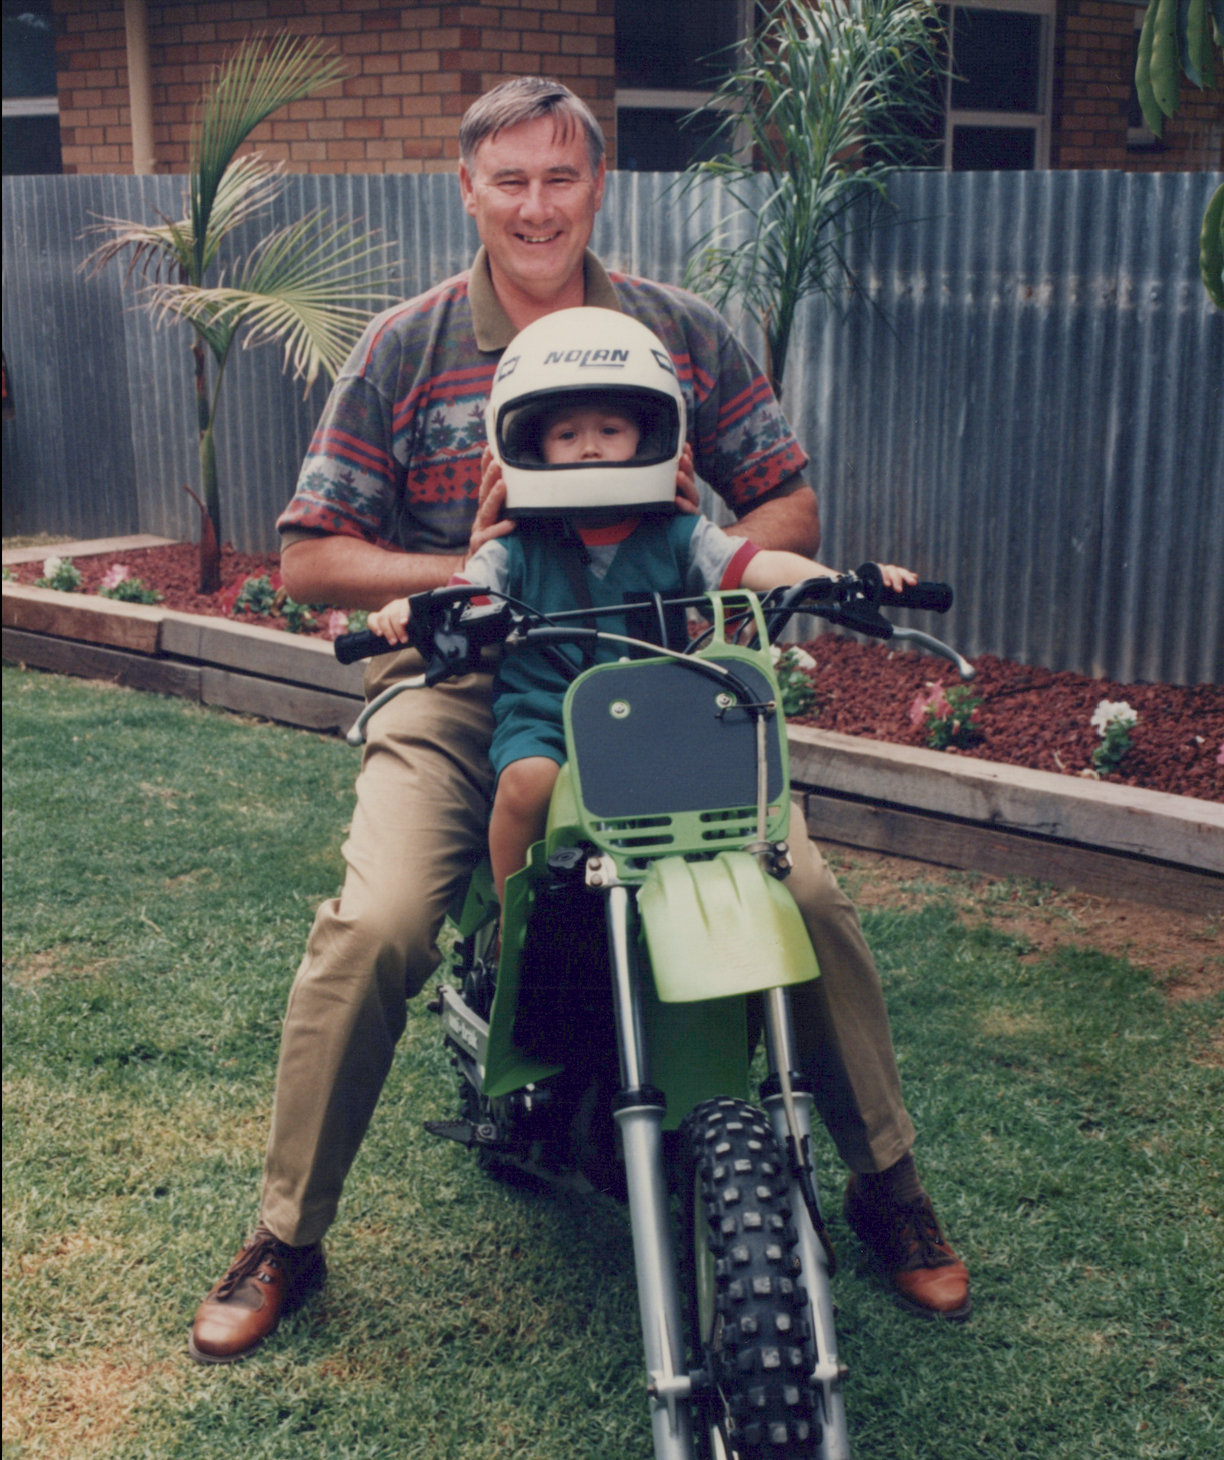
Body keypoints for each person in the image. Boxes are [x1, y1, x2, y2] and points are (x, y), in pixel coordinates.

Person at [187, 77, 970, 1367]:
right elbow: (311, 560)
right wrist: (460, 574)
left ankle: (887, 1184)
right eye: (510, 179)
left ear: (597, 186)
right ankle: (287, 1233)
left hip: (654, 676)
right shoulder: (405, 343)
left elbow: (785, 515)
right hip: (465, 681)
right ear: (468, 190)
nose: (537, 205)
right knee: (378, 924)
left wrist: (695, 543)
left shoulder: (680, 329)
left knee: (808, 896)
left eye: (561, 177)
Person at [364, 309, 919, 913]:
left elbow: (759, 564)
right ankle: (514, 924)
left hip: (661, 713)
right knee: (527, 784)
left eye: (611, 429)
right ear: (531, 445)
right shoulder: (512, 546)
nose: (590, 448)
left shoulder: (680, 535)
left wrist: (840, 581)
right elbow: (466, 592)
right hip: (546, 712)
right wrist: (408, 611)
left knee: (731, 817)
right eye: (566, 435)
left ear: (650, 435)